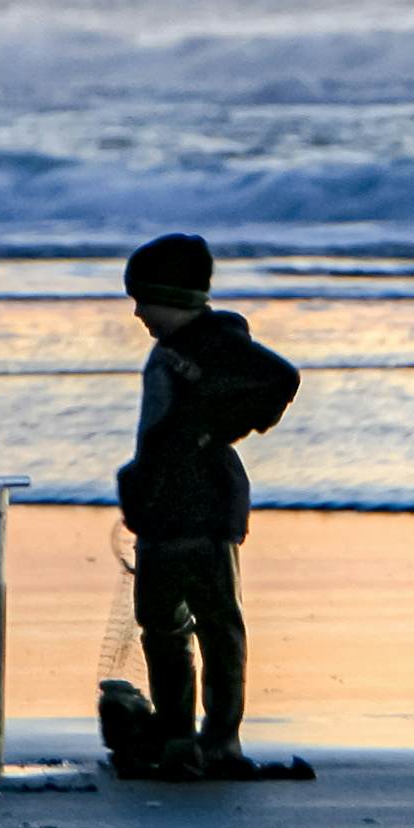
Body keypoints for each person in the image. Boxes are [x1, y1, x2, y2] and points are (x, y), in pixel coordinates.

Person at [110, 232, 299, 779]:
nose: (138, 311)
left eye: (144, 299)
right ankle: (176, 737)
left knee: (216, 625)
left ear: (175, 296)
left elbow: (280, 377)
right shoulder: (173, 348)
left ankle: (220, 741)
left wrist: (212, 431)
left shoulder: (213, 339)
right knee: (160, 624)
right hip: (163, 511)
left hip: (204, 508)